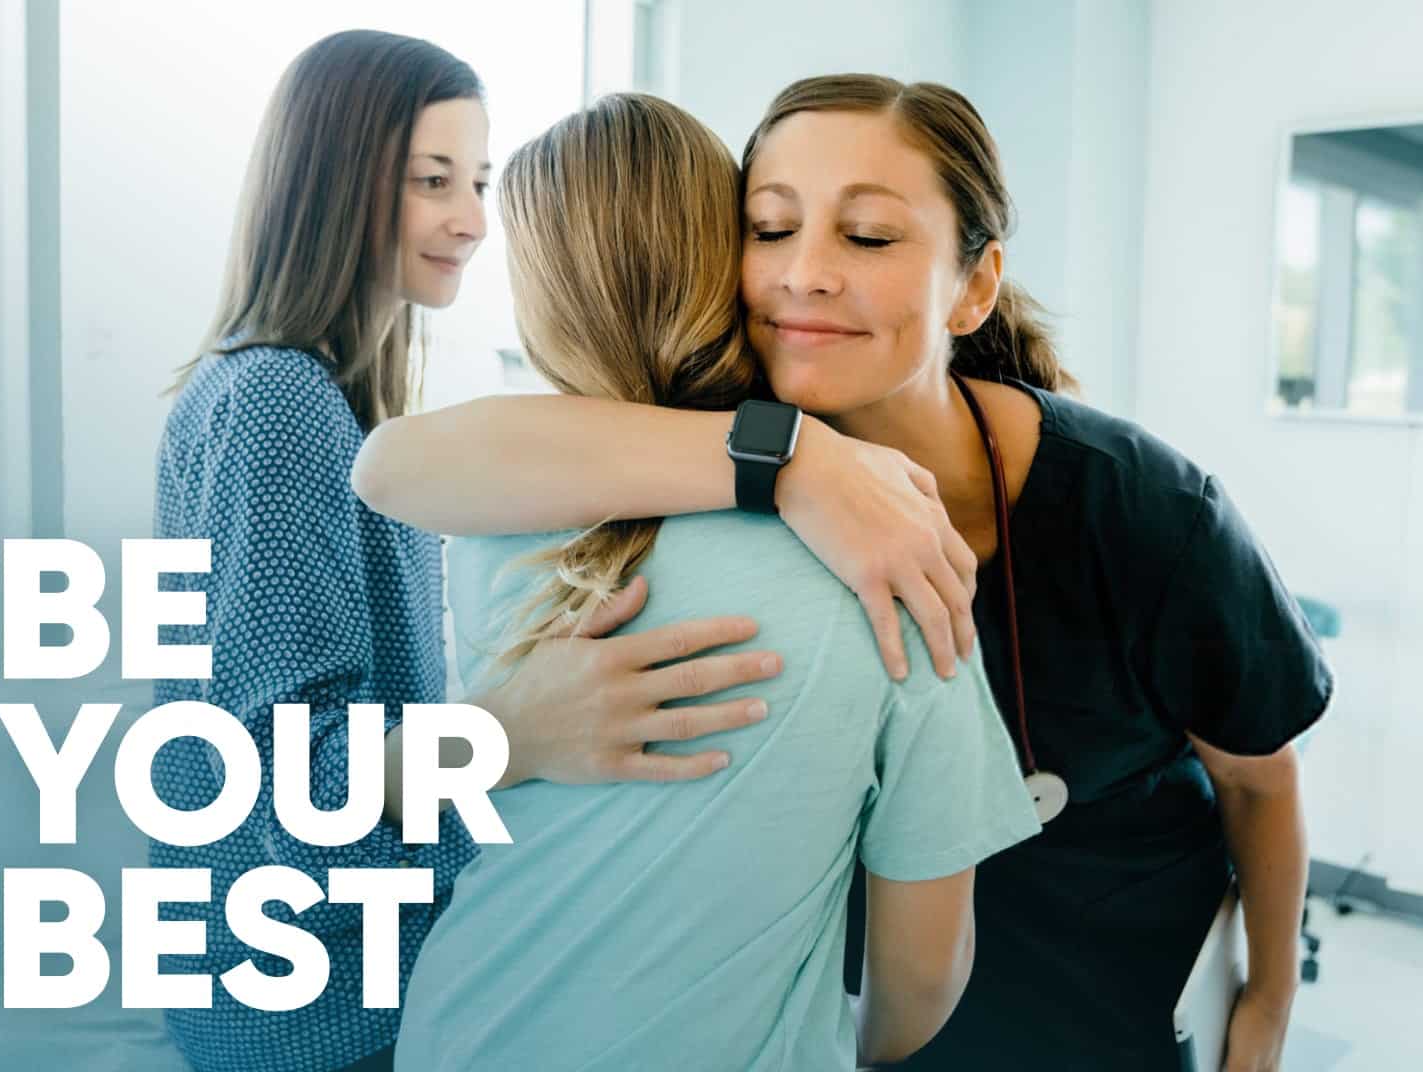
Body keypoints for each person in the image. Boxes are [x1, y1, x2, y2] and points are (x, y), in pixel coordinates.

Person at [356, 74, 1333, 1070]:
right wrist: (793, 462)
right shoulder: (683, 462)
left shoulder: (1144, 509)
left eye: (867, 237)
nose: (805, 273)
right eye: (770, 228)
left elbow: (1257, 782)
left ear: (975, 285)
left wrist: (1264, 1001)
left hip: (1101, 1011)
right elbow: (396, 466)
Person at [147, 32, 813, 1072]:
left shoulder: (323, 402)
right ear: (329, 185)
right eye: (430, 182)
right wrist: (516, 728)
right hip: (318, 1019)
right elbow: (281, 789)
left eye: (480, 182)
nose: (469, 220)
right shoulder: (277, 403)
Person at [391, 92, 1040, 1072]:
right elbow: (921, 971)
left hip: (462, 1032)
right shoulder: (894, 563)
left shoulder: (498, 519)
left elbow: (391, 473)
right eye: (773, 228)